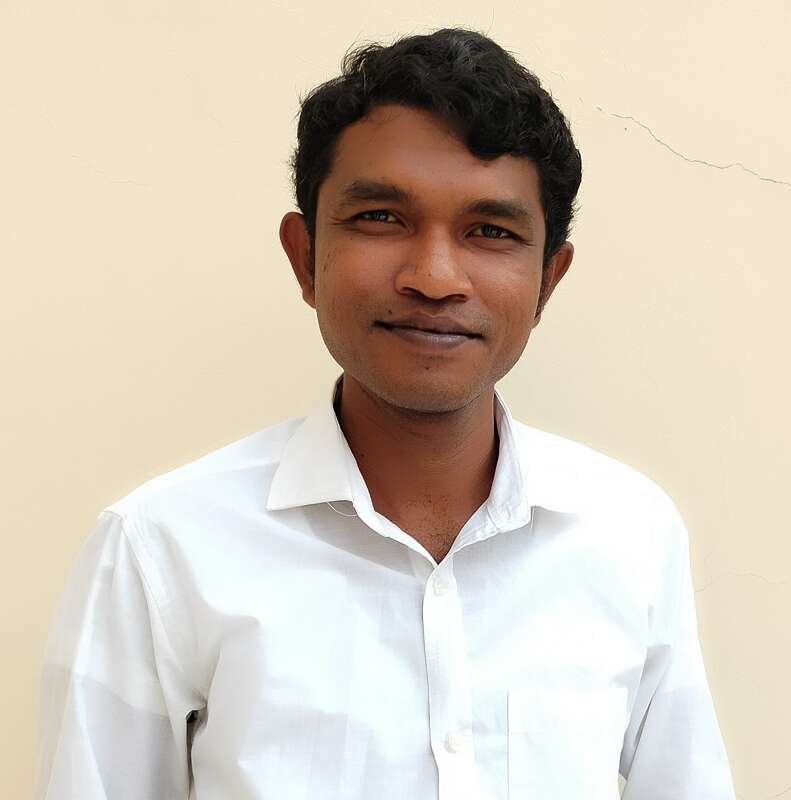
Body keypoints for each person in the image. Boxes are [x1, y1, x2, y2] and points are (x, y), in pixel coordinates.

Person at [35, 27, 736, 800]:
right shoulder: (161, 548)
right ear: (305, 257)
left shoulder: (630, 533)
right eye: (380, 218)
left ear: (548, 280)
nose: (434, 277)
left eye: (491, 232)